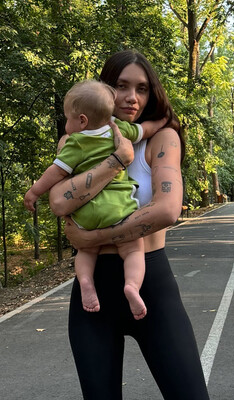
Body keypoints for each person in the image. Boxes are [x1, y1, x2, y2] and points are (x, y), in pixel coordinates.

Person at [48, 50, 210, 399]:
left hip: (150, 284)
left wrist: (90, 237)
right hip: (93, 293)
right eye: (121, 86)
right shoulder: (78, 139)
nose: (131, 97)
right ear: (105, 88)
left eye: (142, 88)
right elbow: (58, 202)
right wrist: (118, 159)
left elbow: (167, 210)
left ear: (152, 94)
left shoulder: (162, 138)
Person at [24, 80, 165, 320]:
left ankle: (86, 282)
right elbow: (145, 130)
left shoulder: (75, 142)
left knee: (86, 251)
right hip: (119, 209)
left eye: (67, 119)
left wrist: (34, 192)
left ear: (82, 121)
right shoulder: (118, 129)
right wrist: (164, 121)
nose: (66, 124)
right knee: (133, 249)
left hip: (87, 214)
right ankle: (132, 285)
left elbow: (55, 172)